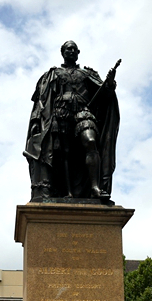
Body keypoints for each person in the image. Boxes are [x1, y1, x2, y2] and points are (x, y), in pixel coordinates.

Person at [24, 41, 120, 202]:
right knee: (64, 154)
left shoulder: (88, 74)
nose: (71, 51)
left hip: (84, 111)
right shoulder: (53, 74)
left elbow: (105, 97)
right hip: (60, 114)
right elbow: (41, 102)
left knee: (90, 141)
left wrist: (109, 83)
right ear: (62, 52)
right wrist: (35, 122)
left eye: (74, 49)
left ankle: (95, 187)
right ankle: (67, 191)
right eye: (68, 48)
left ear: (78, 52)